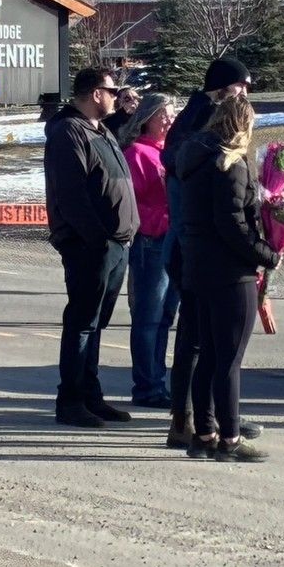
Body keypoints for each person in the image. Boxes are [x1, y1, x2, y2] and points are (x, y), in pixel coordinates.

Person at [160, 57, 264, 448]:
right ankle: (187, 419)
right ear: (222, 88)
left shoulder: (202, 121)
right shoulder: (199, 121)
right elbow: (177, 165)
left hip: (196, 242)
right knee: (197, 340)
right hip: (196, 244)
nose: (245, 95)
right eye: (241, 87)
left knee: (203, 340)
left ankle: (207, 418)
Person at [176, 95, 279, 462]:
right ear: (242, 124)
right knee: (229, 360)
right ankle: (230, 438)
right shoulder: (230, 164)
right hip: (230, 272)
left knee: (207, 355)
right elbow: (232, 224)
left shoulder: (193, 158)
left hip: (198, 268)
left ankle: (203, 432)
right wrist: (267, 254)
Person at [44, 67, 139, 428]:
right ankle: (70, 401)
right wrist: (97, 239)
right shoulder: (68, 130)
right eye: (112, 91)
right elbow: (72, 194)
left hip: (116, 243)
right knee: (82, 322)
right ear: (95, 93)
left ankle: (90, 396)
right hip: (91, 245)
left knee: (96, 324)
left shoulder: (101, 130)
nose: (117, 97)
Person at [120, 93, 180, 409]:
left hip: (173, 242)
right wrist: (164, 219)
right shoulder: (137, 154)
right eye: (163, 116)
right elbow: (132, 205)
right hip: (151, 243)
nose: (169, 121)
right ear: (147, 119)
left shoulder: (169, 153)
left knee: (166, 316)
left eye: (172, 115)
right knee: (149, 317)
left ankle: (158, 382)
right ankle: (146, 386)